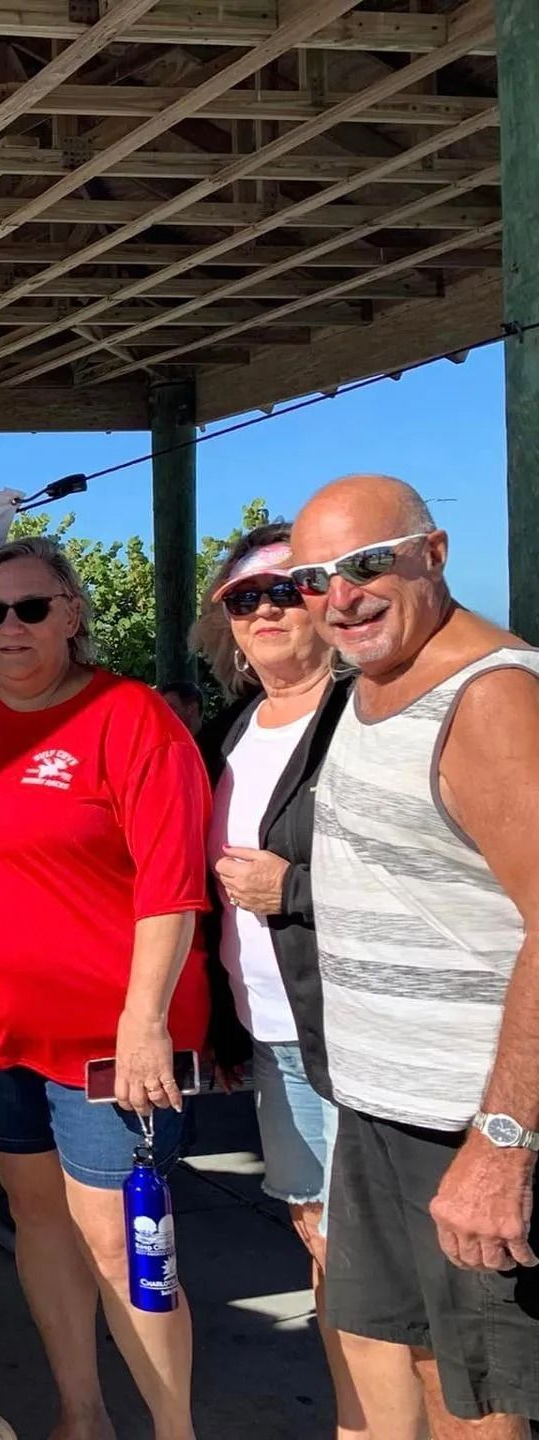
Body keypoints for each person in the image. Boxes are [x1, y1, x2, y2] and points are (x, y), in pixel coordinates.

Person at [0, 536, 211, 1440]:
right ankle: (80, 1415)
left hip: (107, 1041)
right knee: (38, 1218)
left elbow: (172, 885)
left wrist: (145, 1025)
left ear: (71, 613)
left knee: (123, 1245)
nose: (10, 627)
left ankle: (174, 1431)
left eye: (31, 607)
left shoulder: (132, 717)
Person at [290, 475, 539, 1437]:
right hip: (388, 1111)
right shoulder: (377, 685)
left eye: (365, 566)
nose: (338, 596)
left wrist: (503, 1142)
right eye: (315, 578)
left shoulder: (492, 697)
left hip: (468, 1122)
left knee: (489, 1400)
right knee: (438, 1368)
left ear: (432, 555)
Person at [191, 524, 358, 1436]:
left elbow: (451, 879)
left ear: (328, 597)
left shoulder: (369, 715)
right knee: (320, 1242)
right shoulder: (228, 731)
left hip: (357, 1038)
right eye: (243, 598)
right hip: (272, 1033)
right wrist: (223, 1026)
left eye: (284, 590)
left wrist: (292, 888)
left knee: (384, 1267)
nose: (264, 610)